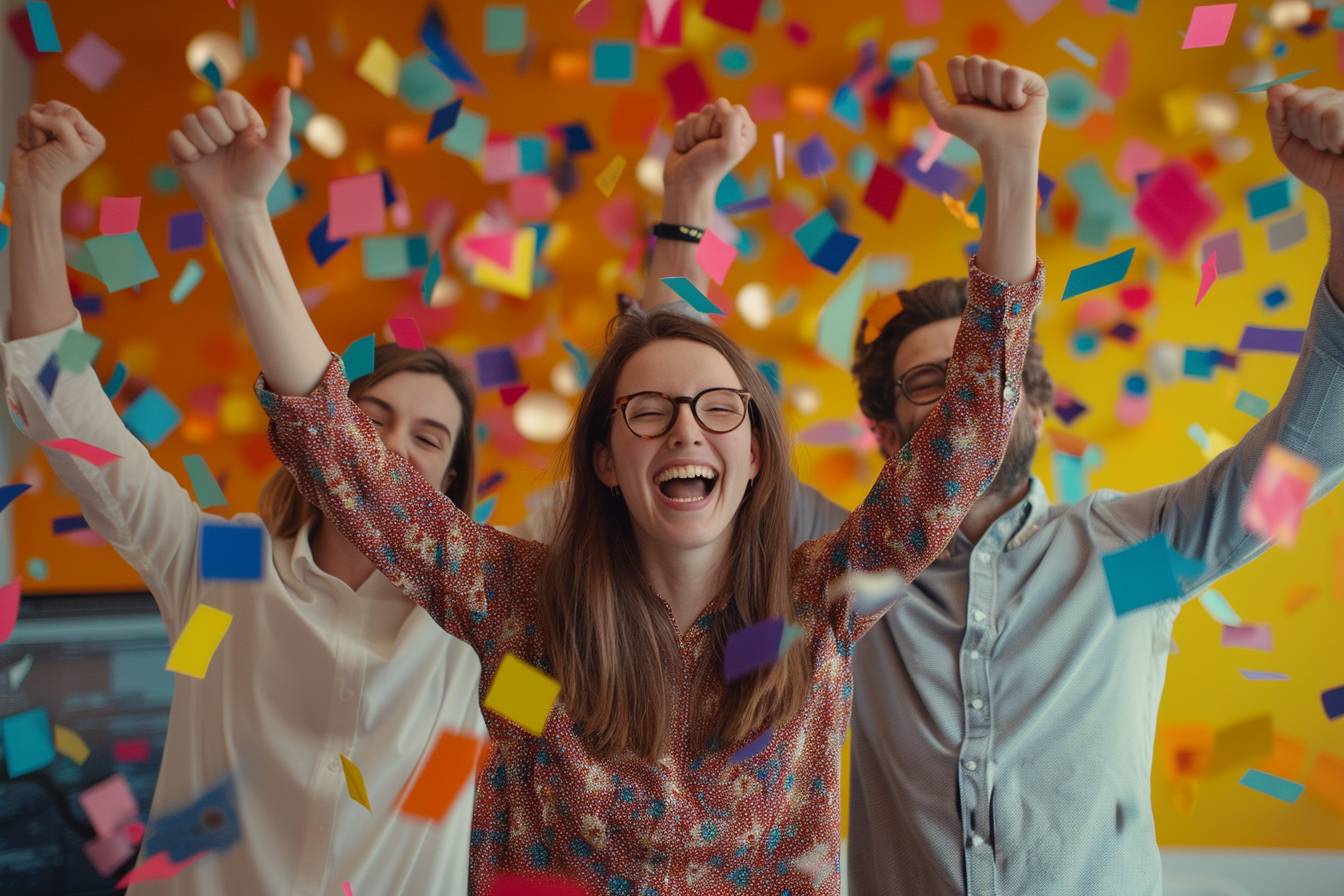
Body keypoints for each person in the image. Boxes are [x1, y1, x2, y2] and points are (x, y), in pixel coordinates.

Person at [236, 56, 1047, 893]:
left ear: (755, 454)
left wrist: (1011, 161)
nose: (686, 428)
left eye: (718, 410)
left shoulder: (819, 604)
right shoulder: (518, 604)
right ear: (605, 459)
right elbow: (338, 453)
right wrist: (240, 215)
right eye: (649, 412)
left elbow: (969, 437)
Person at [845, 75, 1344, 894]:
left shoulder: (1135, 561)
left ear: (1036, 406)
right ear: (889, 435)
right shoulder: (854, 585)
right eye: (934, 383)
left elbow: (1314, 451)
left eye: (989, 377)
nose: (969, 402)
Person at [2, 97, 486, 893]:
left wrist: (683, 216)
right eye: (371, 421)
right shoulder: (224, 565)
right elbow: (66, 413)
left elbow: (628, 511)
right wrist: (35, 193)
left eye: (429, 438)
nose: (391, 450)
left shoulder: (479, 629)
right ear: (322, 440)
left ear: (452, 483)